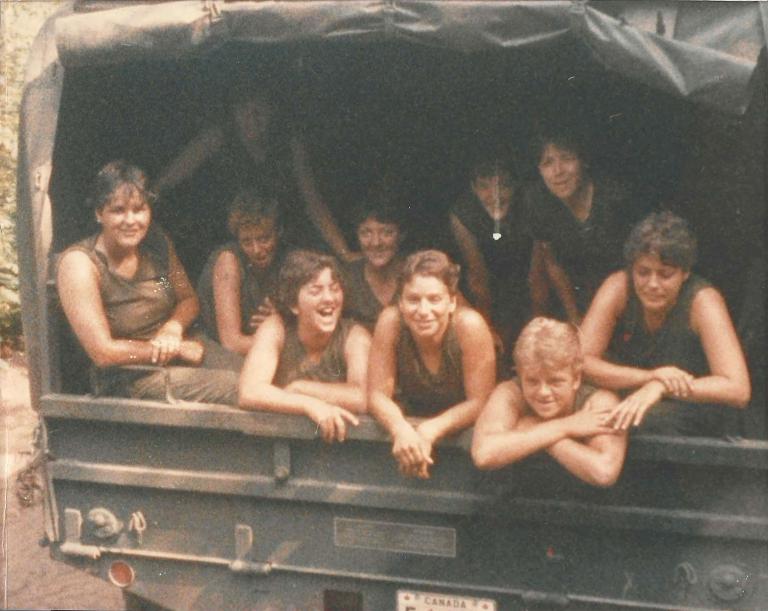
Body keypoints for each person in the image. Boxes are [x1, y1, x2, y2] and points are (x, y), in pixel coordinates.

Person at [56, 161, 238, 403]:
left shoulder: (155, 248)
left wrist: (172, 328)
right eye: (118, 210)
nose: (131, 220)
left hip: (179, 346)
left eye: (139, 209)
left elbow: (184, 298)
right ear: (99, 213)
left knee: (259, 375)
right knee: (238, 387)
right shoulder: (81, 264)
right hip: (131, 376)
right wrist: (172, 349)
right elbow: (103, 353)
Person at [580, 211, 751, 436]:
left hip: (691, 407)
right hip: (633, 394)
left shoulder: (703, 301)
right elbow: (580, 361)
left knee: (643, 420)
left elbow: (737, 389)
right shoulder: (618, 287)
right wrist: (650, 377)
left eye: (665, 274)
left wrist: (661, 387)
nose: (652, 284)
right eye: (643, 272)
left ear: (685, 272)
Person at [152, 80, 356, 261]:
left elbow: (313, 203)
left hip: (278, 236)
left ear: (271, 112)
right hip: (232, 238)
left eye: (258, 111)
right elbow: (169, 178)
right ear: (234, 114)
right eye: (244, 112)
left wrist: (343, 252)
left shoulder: (288, 145)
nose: (252, 119)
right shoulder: (218, 138)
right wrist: (147, 198)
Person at [368, 250, 496, 479]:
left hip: (462, 435)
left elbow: (480, 401)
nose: (424, 311)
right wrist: (400, 428)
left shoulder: (470, 326)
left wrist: (430, 430)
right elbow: (377, 395)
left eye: (434, 299)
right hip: (412, 429)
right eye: (413, 300)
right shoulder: (391, 322)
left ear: (452, 302)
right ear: (401, 302)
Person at [471, 317, 627, 487]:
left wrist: (531, 426)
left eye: (555, 382)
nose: (543, 392)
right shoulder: (510, 392)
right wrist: (564, 427)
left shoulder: (600, 401)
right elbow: (483, 454)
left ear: (576, 378)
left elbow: (604, 472)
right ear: (520, 376)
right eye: (532, 381)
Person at [238, 250, 371, 443]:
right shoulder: (276, 327)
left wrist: (300, 388)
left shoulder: (355, 336)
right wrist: (309, 405)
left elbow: (362, 397)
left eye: (334, 289)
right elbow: (249, 391)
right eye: (316, 291)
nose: (329, 298)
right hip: (278, 437)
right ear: (294, 304)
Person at [527, 128, 643, 323]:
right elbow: (553, 264)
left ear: (583, 161)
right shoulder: (538, 203)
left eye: (566, 158)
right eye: (548, 163)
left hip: (628, 297)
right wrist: (575, 318)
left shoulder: (616, 198)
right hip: (579, 300)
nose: (558, 171)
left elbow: (641, 262)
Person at [449, 155, 533, 352]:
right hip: (484, 288)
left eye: (503, 186)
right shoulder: (463, 214)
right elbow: (477, 276)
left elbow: (537, 273)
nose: (494, 196)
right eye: (484, 187)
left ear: (516, 185)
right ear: (473, 188)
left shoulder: (530, 205)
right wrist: (485, 329)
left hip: (524, 282)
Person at [197, 189, 283, 356]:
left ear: (279, 232)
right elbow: (232, 343)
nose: (256, 250)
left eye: (264, 239)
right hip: (217, 350)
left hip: (261, 343)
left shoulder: (287, 259)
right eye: (246, 241)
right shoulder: (228, 262)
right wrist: (287, 343)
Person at [343, 195, 407, 332]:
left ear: (401, 235)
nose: (376, 243)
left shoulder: (418, 273)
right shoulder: (346, 278)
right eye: (366, 233)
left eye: (387, 232)